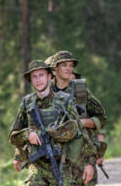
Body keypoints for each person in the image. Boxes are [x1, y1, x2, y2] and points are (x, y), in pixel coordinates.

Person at [9, 60, 97, 185]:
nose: (38, 80)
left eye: (41, 75)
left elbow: (81, 131)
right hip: (37, 166)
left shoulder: (64, 101)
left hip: (63, 165)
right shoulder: (27, 104)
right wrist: (27, 135)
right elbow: (13, 135)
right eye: (34, 76)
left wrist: (89, 163)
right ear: (31, 80)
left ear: (49, 77)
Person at [49, 51, 108, 185]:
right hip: (53, 157)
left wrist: (84, 123)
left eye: (71, 65)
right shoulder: (46, 92)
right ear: (54, 70)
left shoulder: (80, 90)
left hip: (81, 156)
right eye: (64, 65)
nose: (69, 68)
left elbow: (101, 117)